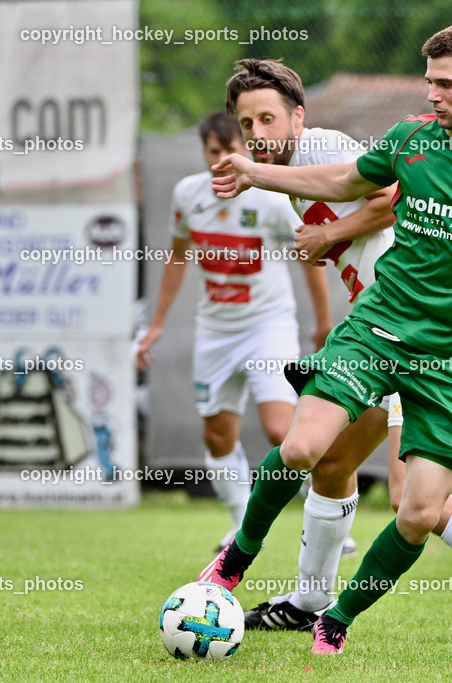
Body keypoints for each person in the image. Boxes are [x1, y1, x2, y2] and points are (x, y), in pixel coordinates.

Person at [200, 23, 452, 655]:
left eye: (445, 84)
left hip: (451, 359)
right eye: (428, 82)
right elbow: (343, 182)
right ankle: (238, 564)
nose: (432, 94)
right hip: (377, 326)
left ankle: (334, 612)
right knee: (306, 449)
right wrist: (254, 173)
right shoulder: (410, 137)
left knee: (416, 509)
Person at [137, 111, 332, 549]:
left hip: (269, 326)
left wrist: (323, 322)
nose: (223, 159)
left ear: (244, 149)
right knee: (217, 435)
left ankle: (324, 515)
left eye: (232, 150)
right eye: (214, 151)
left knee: (284, 431)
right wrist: (157, 324)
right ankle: (243, 527)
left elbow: (310, 256)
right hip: (216, 332)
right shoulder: (188, 194)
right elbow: (177, 257)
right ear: (204, 151)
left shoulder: (271, 198)